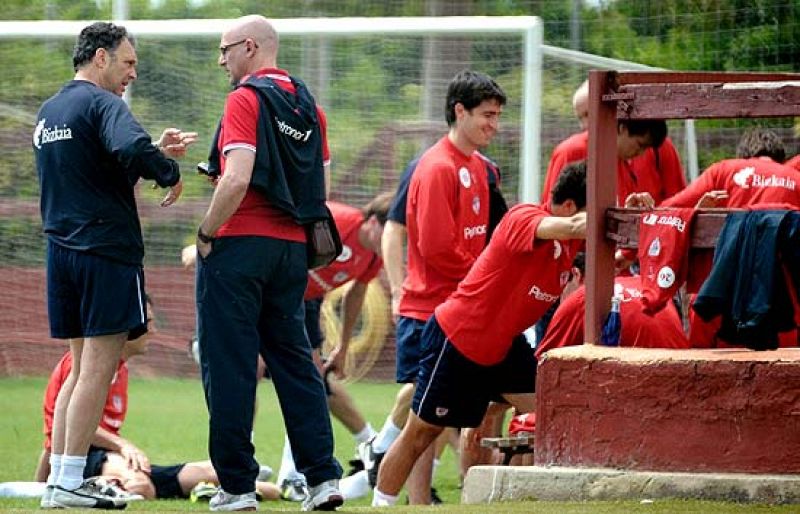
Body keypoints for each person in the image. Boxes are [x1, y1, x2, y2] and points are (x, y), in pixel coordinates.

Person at [33, 21, 193, 510]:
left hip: (61, 254)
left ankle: (59, 480)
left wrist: (150, 153)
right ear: (99, 58)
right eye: (128, 63)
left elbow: (97, 168)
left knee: (79, 370)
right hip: (104, 253)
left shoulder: (49, 111)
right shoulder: (104, 104)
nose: (133, 74)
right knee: (96, 371)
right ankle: (65, 484)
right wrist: (168, 169)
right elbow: (128, 147)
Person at [372, 161, 588, 507]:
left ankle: (497, 474)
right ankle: (380, 504)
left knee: (554, 409)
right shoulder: (525, 218)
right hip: (457, 340)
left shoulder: (571, 249)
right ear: (568, 206)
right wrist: (596, 219)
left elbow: (609, 251)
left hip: (504, 347)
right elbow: (574, 225)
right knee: (420, 434)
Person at [195, 15, 342, 512]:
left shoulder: (244, 98)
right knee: (296, 363)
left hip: (238, 248)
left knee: (230, 365)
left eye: (225, 50)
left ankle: (236, 488)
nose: (221, 61)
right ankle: (323, 480)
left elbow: (235, 179)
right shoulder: (311, 108)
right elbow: (319, 190)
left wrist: (206, 232)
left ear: (250, 47)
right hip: (291, 253)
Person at [360, 70, 506, 505]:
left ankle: (439, 488)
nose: (494, 125)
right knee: (427, 416)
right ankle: (403, 489)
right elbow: (405, 233)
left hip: (468, 306)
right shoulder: (430, 167)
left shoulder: (483, 169)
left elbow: (493, 235)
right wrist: (399, 288)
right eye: (487, 115)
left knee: (441, 413)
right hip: (435, 313)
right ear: (459, 112)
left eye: (498, 116)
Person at [35, 297, 281, 503]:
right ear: (127, 328)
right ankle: (100, 485)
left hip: (115, 459)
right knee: (141, 487)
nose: (153, 331)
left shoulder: (120, 369)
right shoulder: (83, 368)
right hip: (90, 459)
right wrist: (122, 446)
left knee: (257, 485)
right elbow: (60, 424)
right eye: (148, 323)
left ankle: (210, 488)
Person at [275, 193, 392, 500]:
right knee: (304, 382)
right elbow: (285, 229)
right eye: (392, 231)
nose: (396, 241)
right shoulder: (338, 220)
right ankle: (368, 445)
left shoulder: (375, 255)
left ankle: (293, 473)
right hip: (279, 295)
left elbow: (357, 293)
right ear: (373, 222)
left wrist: (342, 344)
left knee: (314, 383)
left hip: (307, 303)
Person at [656, 128, 800, 349]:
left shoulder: (723, 171)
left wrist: (698, 212)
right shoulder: (796, 179)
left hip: (717, 310)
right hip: (783, 317)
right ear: (780, 159)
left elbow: (667, 211)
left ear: (743, 155)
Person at [541, 80, 685, 208]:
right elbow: (554, 212)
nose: (585, 125)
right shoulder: (572, 151)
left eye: (590, 114)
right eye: (581, 118)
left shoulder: (658, 146)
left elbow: (679, 203)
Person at [536, 252, 691, 356]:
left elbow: (546, 364)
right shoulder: (649, 287)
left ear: (576, 274)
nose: (559, 298)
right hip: (684, 383)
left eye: (561, 283)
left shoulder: (582, 297)